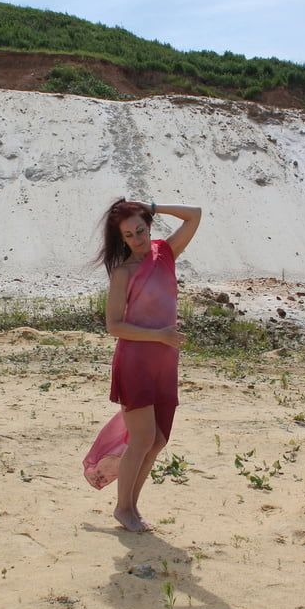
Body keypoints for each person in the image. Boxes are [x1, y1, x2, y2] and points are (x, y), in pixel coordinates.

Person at [83, 198, 201, 532]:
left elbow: (195, 215)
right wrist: (159, 335)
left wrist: (153, 206)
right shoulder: (123, 273)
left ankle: (131, 506)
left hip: (165, 361)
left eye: (141, 229)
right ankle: (123, 509)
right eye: (129, 235)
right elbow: (114, 326)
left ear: (149, 226)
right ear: (121, 239)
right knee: (143, 437)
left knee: (159, 439)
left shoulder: (165, 254)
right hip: (135, 359)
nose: (137, 238)